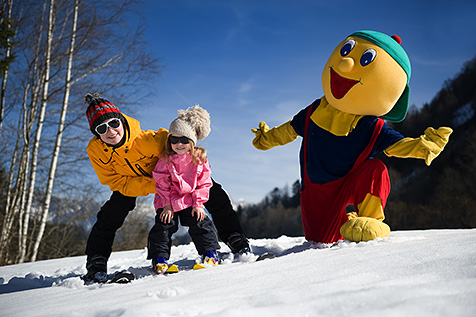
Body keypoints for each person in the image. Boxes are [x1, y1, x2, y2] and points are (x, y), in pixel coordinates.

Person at [252, 30, 452, 244]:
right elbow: (288, 131)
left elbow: (399, 145)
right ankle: (350, 220)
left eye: (366, 60)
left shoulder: (372, 127)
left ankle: (370, 221)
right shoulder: (315, 111)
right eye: (346, 50)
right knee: (320, 241)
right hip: (315, 193)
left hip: (348, 186)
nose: (346, 63)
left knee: (376, 169)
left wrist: (423, 146)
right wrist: (266, 138)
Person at [83, 92, 249, 283]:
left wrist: (195, 163)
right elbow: (114, 181)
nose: (111, 132)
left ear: (121, 121)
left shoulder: (152, 140)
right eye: (102, 129)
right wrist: (156, 186)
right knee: (110, 213)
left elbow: (182, 143)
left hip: (174, 175)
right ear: (96, 133)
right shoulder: (96, 151)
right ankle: (96, 261)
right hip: (137, 183)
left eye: (113, 124)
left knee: (213, 191)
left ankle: (235, 237)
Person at [148, 105, 219, 273]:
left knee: (201, 222)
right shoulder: (165, 160)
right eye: (174, 140)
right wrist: (166, 205)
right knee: (163, 225)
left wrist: (198, 204)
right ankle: (159, 259)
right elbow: (161, 183)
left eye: (184, 140)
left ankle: (210, 254)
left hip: (190, 200)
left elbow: (204, 182)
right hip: (169, 202)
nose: (179, 144)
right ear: (169, 141)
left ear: (192, 141)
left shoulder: (199, 158)